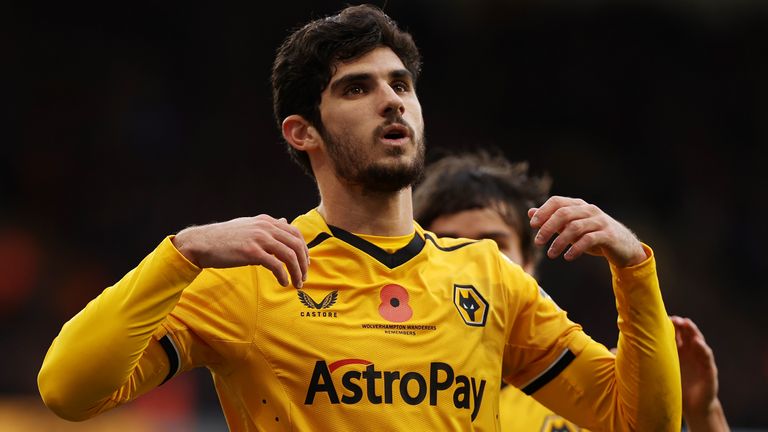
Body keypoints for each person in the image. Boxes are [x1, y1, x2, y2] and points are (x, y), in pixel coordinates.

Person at [38, 5, 681, 431]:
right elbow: (68, 391)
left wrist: (634, 268)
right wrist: (179, 253)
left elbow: (640, 424)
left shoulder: (490, 276)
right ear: (302, 132)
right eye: (357, 88)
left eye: (401, 85)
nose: (391, 103)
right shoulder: (250, 274)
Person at [413, 150, 729, 432]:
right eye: (451, 246)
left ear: (529, 266)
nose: (476, 264)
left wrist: (704, 414)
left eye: (494, 246)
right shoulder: (389, 382)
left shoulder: (594, 390)